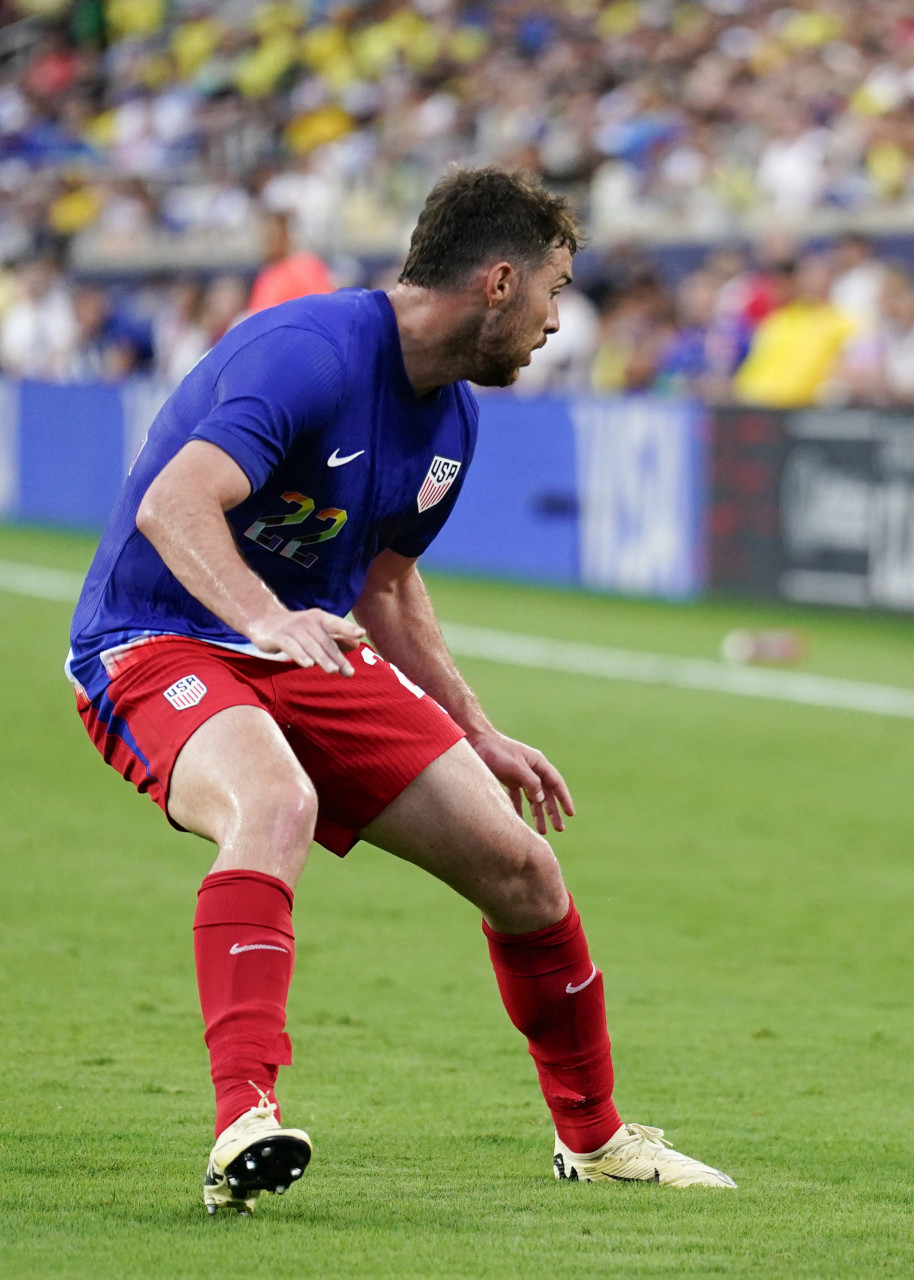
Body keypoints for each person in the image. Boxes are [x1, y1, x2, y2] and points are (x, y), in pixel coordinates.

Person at [66, 168, 735, 1216]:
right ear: (500, 281)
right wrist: (263, 616)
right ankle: (244, 1116)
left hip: (312, 646)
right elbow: (174, 501)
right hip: (162, 636)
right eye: (556, 290)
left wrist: (478, 727)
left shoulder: (453, 420)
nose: (560, 320)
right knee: (273, 800)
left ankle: (597, 1140)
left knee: (522, 868)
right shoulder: (307, 351)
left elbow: (386, 582)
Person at [732, 253, 856, 408]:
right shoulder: (779, 320)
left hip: (804, 410)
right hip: (759, 407)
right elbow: (755, 366)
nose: (813, 282)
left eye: (819, 276)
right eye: (808, 276)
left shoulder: (845, 323)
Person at [246, 211, 335, 315]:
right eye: (264, 237)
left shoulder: (305, 266)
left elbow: (324, 308)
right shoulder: (265, 276)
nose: (267, 243)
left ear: (286, 235)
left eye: (272, 236)